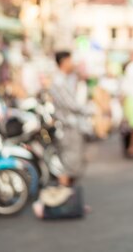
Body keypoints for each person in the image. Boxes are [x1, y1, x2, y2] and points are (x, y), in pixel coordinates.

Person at [49, 51, 89, 186]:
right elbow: (72, 105)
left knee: (74, 164)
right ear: (64, 62)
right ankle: (63, 202)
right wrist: (92, 110)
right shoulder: (59, 81)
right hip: (68, 128)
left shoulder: (67, 78)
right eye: (71, 61)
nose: (73, 64)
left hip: (73, 127)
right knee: (68, 165)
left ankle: (69, 201)